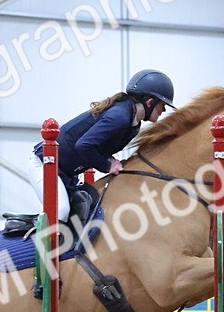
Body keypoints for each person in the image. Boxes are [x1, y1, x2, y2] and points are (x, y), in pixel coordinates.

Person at [32, 69, 175, 224]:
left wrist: (112, 160)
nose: (164, 110)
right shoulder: (120, 116)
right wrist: (107, 166)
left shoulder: (133, 124)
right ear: (150, 102)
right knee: (61, 211)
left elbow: (99, 147)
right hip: (45, 165)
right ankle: (39, 240)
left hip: (66, 173)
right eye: (162, 104)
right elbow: (84, 146)